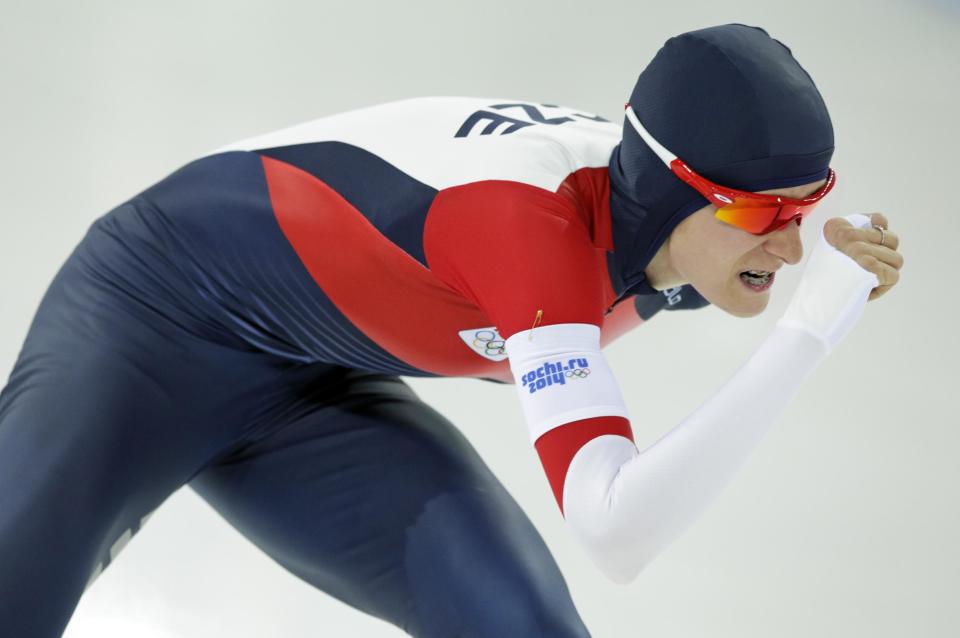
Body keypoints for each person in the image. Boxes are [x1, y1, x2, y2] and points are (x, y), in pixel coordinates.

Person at [0, 22, 903, 637]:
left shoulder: (664, 227)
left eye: (809, 204)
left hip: (313, 387)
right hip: (147, 327)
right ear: (673, 189)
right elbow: (615, 530)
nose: (793, 244)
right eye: (759, 215)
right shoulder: (528, 232)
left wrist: (784, 245)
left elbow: (730, 221)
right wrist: (805, 338)